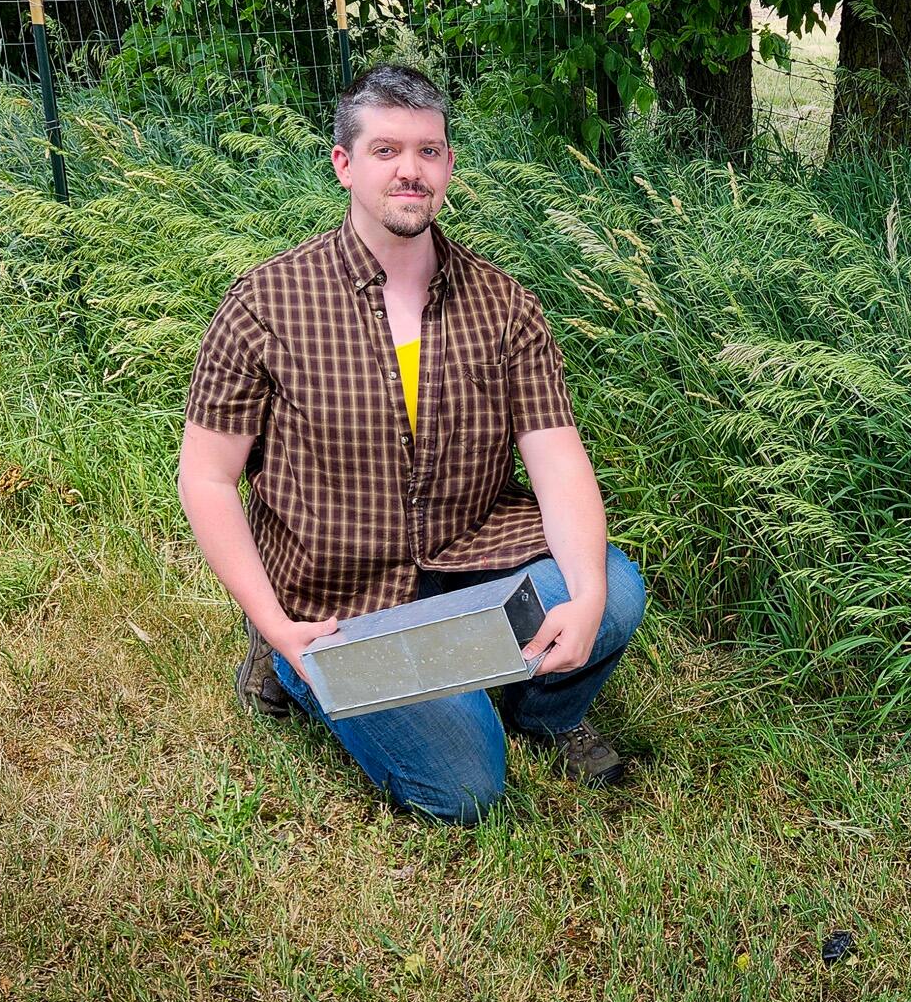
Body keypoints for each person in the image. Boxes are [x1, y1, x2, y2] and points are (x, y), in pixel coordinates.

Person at [176, 63, 642, 824]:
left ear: (449, 166)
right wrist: (276, 622)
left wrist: (584, 594)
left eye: (429, 152)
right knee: (466, 789)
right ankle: (290, 668)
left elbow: (557, 456)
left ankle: (545, 710)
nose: (410, 171)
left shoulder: (504, 305)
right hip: (337, 600)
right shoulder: (265, 304)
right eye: (387, 150)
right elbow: (206, 478)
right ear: (344, 165)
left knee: (615, 591)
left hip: (468, 563)